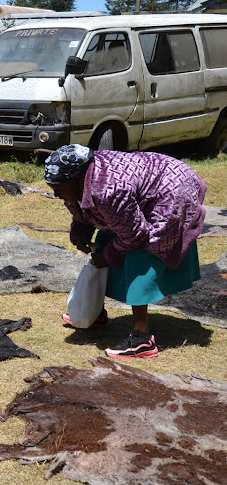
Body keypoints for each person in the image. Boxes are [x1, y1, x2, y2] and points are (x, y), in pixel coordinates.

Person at [45, 144, 207, 359]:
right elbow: (81, 208)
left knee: (141, 253)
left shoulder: (108, 190)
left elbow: (135, 235)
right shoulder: (80, 180)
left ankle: (142, 340)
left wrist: (108, 255)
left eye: (59, 188)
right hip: (146, 187)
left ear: (77, 179)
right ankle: (94, 314)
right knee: (107, 239)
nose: (55, 194)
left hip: (173, 191)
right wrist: (80, 234)